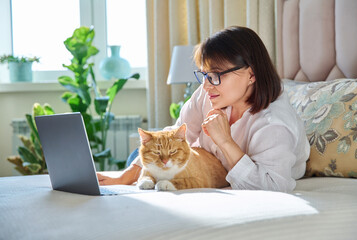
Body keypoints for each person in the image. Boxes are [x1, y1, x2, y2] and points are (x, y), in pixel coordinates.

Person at [97, 26, 310, 192]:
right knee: (140, 156)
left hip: (205, 169)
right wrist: (125, 177)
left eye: (216, 75)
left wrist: (225, 141)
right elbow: (179, 132)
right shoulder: (209, 93)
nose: (206, 85)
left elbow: (274, 187)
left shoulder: (274, 124)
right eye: (205, 75)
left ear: (252, 74)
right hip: (193, 163)